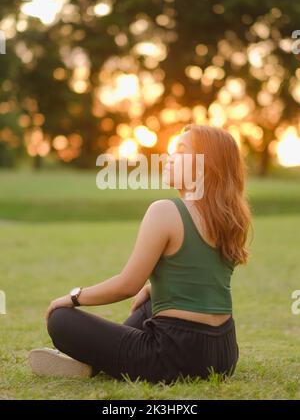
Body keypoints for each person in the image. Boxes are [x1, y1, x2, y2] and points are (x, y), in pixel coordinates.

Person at [29, 123, 252, 384]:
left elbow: (127, 285)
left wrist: (73, 297)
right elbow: (201, 280)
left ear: (206, 165)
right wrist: (152, 288)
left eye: (181, 151)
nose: (169, 157)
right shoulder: (232, 219)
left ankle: (95, 361)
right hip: (223, 355)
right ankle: (99, 359)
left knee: (61, 320)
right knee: (148, 301)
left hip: (173, 356)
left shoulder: (165, 211)